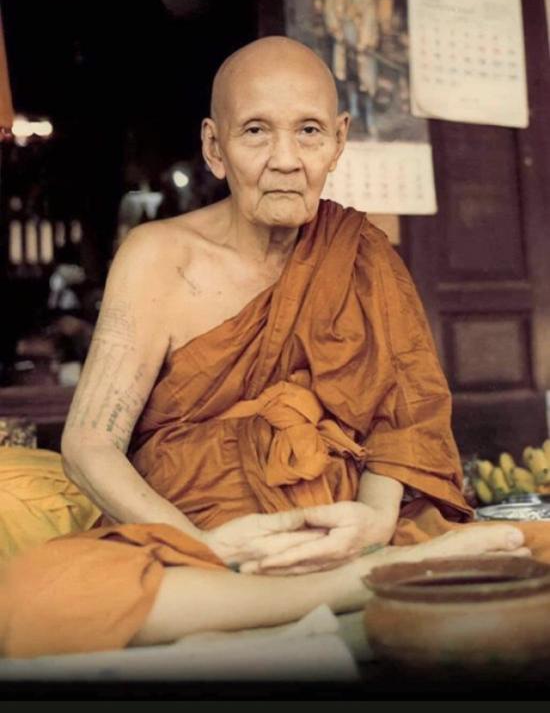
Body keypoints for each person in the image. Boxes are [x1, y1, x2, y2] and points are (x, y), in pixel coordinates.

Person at [0, 36, 545, 659]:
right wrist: (203, 547)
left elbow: (405, 426)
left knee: (534, 550)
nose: (286, 160)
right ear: (215, 147)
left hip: (344, 527)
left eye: (308, 131)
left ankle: (358, 571)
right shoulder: (159, 256)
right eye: (256, 131)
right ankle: (369, 582)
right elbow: (89, 444)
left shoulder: (362, 255)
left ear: (338, 140)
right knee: (29, 600)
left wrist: (369, 524)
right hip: (198, 530)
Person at [324, 0, 380, 138]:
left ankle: (369, 119)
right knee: (347, 74)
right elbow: (330, 9)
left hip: (360, 33)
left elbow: (370, 14)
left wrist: (364, 41)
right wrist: (337, 31)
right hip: (343, 33)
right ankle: (353, 110)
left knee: (365, 76)